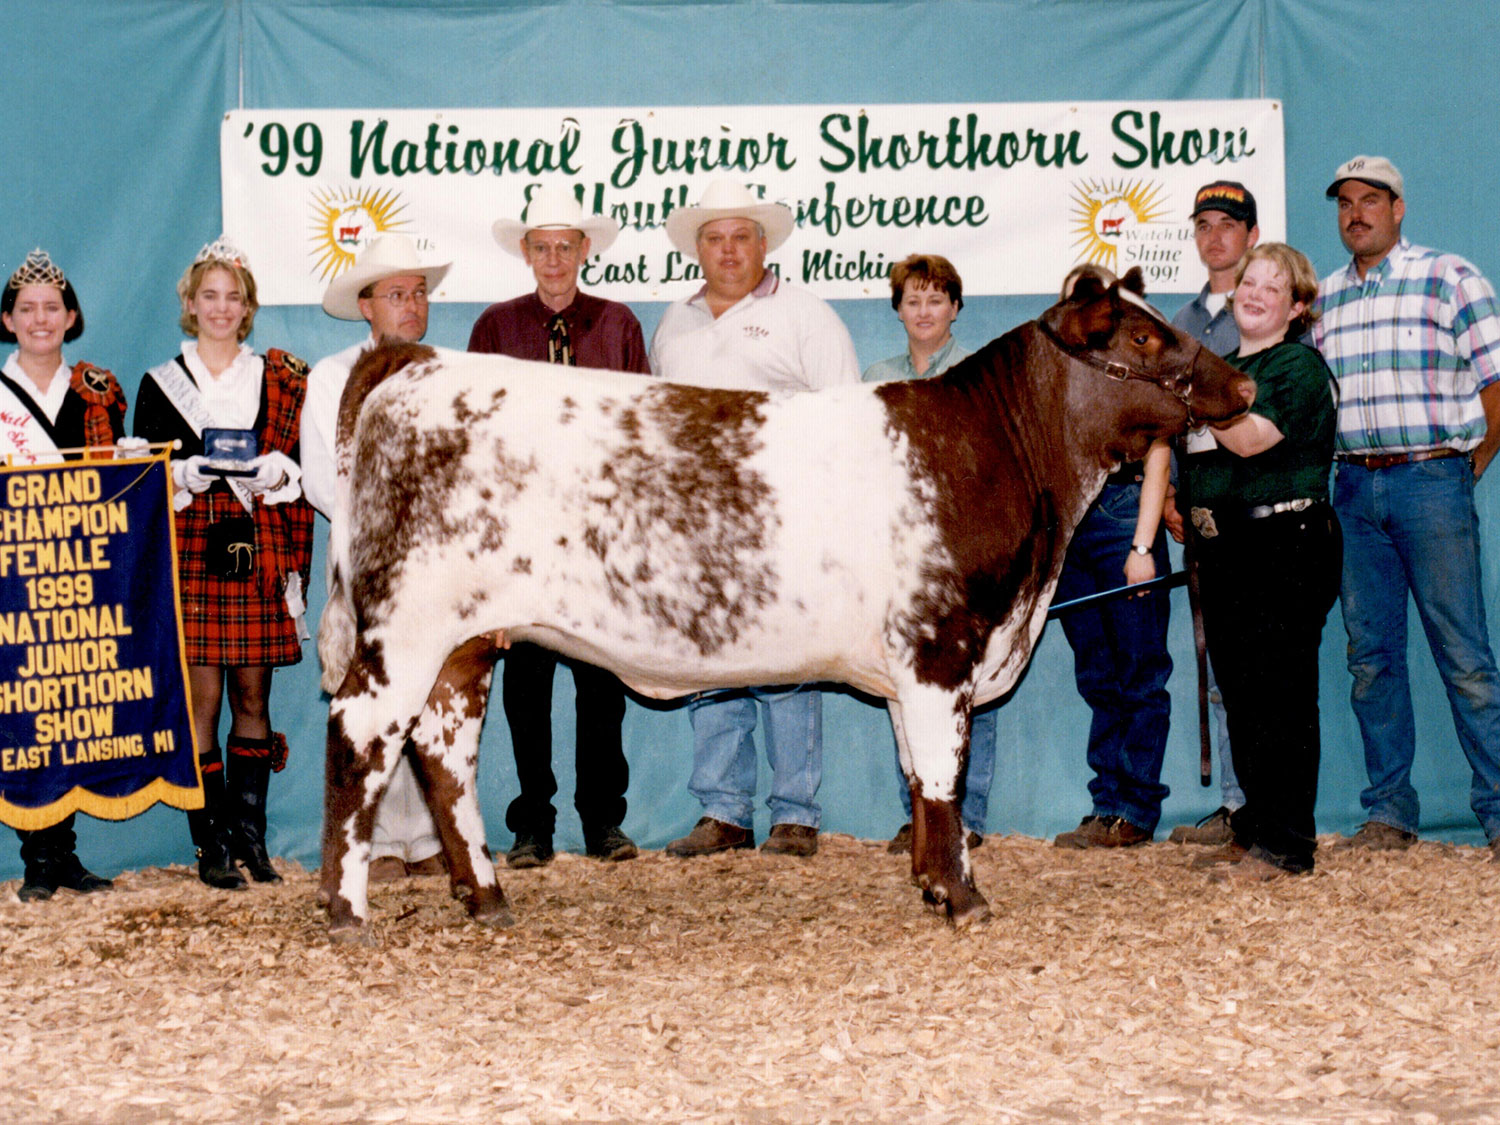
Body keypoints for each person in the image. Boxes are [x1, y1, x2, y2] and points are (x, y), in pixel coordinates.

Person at [650, 179, 860, 858]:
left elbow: (847, 417)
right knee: (711, 661)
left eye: (742, 236)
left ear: (763, 245)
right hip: (699, 521)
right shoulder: (674, 322)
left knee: (788, 660)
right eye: (715, 237)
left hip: (785, 516)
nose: (729, 249)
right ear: (697, 249)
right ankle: (724, 811)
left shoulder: (806, 314)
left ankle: (795, 812)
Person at [1314, 155, 1500, 856]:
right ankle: (1390, 812)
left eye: (1370, 200)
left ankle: (1499, 811)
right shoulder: (1324, 299)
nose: (1355, 213)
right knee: (1371, 658)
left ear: (1399, 209)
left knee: (1465, 656)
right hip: (1354, 486)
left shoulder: (1449, 277)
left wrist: (1467, 465)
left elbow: (1496, 380)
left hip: (1431, 479)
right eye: (1344, 203)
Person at [469, 186, 647, 867]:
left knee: (603, 682)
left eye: (564, 247)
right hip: (522, 535)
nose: (553, 259)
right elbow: (477, 432)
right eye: (540, 247)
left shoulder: (618, 324)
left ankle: (604, 819)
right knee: (526, 685)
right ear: (525, 252)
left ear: (585, 251)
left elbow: (641, 427)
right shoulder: (495, 328)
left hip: (599, 530)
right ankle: (532, 825)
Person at [134, 237, 314, 890]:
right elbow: (142, 478)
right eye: (209, 295)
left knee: (252, 695)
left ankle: (252, 838)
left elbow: (303, 460)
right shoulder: (160, 382)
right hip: (194, 545)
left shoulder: (278, 375)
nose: (220, 307)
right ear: (189, 303)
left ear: (248, 308)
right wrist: (180, 471)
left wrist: (282, 469)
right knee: (203, 697)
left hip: (256, 541)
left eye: (233, 297)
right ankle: (209, 842)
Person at [1184, 242, 1341, 879]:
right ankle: (1256, 829)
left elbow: (1249, 441)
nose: (1253, 292)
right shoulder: (1221, 367)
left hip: (1286, 544)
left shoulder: (1296, 367)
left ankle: (1288, 844)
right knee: (1241, 695)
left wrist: (1196, 388)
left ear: (1296, 306)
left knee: (1280, 694)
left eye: (1272, 287)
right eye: (1249, 281)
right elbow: (1190, 453)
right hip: (1225, 547)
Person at [301, 233, 453, 881]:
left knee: (436, 688)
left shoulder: (447, 368)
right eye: (396, 294)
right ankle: (378, 840)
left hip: (440, 557)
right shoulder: (334, 376)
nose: (411, 305)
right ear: (366, 305)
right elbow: (320, 477)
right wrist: (386, 527)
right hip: (368, 555)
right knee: (372, 692)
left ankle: (429, 835)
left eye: (418, 292)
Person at [0, 249, 127, 901]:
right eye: (28, 309)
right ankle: (37, 859)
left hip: (83, 573)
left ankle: (65, 856)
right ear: (8, 319)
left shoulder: (99, 389)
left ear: (71, 316)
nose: (41, 318)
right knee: (27, 718)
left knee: (73, 711)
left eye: (53, 307)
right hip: (14, 578)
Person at [863, 253, 992, 853]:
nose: (923, 311)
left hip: (962, 545)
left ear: (956, 309)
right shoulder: (878, 375)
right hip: (895, 545)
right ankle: (918, 811)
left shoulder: (977, 374)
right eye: (912, 301)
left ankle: (964, 816)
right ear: (898, 311)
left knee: (965, 679)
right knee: (902, 681)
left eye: (935, 300)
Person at [1050, 263, 1174, 849]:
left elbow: (1159, 453)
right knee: (1097, 673)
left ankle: (1137, 808)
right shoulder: (1057, 373)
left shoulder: (1138, 367)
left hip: (1126, 514)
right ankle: (1106, 803)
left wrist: (1144, 545)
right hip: (1073, 527)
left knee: (1140, 672)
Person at [1165, 180, 1262, 846]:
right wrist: (1170, 492)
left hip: (1260, 502)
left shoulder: (1269, 312)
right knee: (1222, 661)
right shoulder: (1181, 325)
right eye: (1204, 224)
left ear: (1252, 235)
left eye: (1228, 223)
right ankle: (1236, 803)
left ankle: (1271, 804)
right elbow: (1164, 419)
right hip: (1201, 508)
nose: (1215, 235)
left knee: (1268, 658)